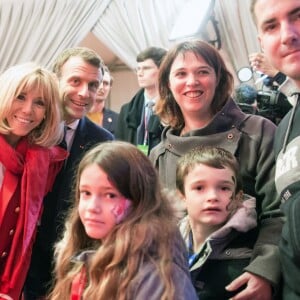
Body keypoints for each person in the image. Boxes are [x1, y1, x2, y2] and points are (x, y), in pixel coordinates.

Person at [149, 39, 283, 300]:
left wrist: (265, 270)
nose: (192, 82)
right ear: (167, 84)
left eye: (202, 72)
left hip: (244, 283)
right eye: (181, 74)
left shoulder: (258, 132)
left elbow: (279, 214)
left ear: (219, 78)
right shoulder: (159, 154)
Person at [49, 141, 198, 300]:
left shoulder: (158, 278)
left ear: (139, 201)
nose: (93, 207)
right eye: (86, 193)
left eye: (110, 195)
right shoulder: (78, 254)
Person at [24, 47, 114, 299]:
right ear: (56, 80)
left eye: (93, 85)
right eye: (75, 81)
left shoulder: (103, 142)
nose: (84, 93)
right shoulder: (25, 127)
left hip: (66, 268)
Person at [0, 62, 68, 300]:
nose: (28, 110)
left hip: (14, 287)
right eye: (20, 97)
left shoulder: (43, 162)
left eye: (40, 103)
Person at [250, 0, 300, 298]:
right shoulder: (283, 129)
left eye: (298, 16)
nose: (287, 34)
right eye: (271, 25)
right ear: (262, 42)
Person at [177, 146, 257, 299]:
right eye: (199, 187)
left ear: (238, 197)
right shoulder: (165, 246)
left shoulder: (251, 255)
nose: (212, 196)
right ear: (182, 196)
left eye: (224, 188)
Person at [115, 46, 167, 155]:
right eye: (138, 69)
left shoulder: (174, 108)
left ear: (162, 70)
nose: (140, 73)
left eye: (146, 68)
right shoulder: (126, 111)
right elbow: (119, 149)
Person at [87, 65, 119, 135]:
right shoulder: (76, 117)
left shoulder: (118, 119)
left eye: (106, 83)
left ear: (110, 87)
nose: (101, 87)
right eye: (98, 82)